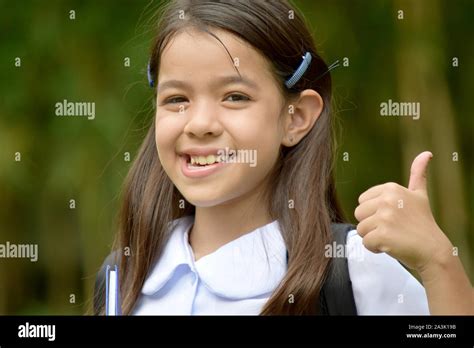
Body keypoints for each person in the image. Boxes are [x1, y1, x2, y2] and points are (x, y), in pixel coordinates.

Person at [95, 0, 473, 315]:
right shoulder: (122, 278)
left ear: (296, 117)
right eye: (177, 99)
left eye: (235, 97)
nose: (200, 124)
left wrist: (438, 261)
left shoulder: (351, 271)